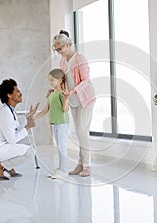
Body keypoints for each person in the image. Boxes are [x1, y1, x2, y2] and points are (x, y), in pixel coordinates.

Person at [52, 30, 95, 177]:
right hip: (73, 100)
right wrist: (57, 91)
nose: (58, 52)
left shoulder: (80, 58)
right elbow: (63, 81)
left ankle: (87, 165)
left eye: (60, 48)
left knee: (82, 131)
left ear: (68, 45)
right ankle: (80, 163)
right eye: (56, 49)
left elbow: (86, 80)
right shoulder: (62, 61)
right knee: (78, 132)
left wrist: (73, 91)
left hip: (85, 99)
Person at [0, 79, 39, 180]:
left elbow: (16, 130)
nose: (21, 93)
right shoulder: (6, 113)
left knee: (24, 149)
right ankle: (0, 166)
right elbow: (12, 140)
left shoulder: (10, 111)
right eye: (17, 91)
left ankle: (6, 166)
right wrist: (28, 127)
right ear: (9, 95)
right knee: (30, 152)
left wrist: (28, 119)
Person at [35, 69, 70, 176]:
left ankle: (64, 170)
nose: (50, 83)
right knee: (59, 146)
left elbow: (65, 109)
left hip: (62, 123)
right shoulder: (51, 94)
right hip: (54, 123)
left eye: (52, 80)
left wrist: (66, 99)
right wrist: (34, 117)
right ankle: (60, 168)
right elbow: (46, 109)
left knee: (62, 146)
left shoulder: (62, 94)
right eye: (49, 80)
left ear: (60, 80)